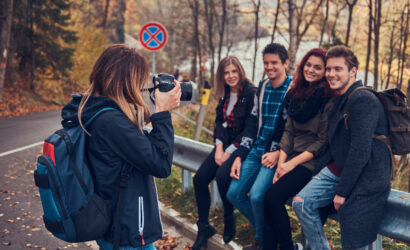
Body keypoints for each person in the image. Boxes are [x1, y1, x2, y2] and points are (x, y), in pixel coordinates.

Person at [61, 44, 181, 250]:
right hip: (125, 230)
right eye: (139, 79)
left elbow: (140, 149)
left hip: (121, 225)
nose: (142, 86)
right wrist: (162, 111)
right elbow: (161, 165)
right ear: (127, 81)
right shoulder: (111, 122)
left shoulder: (97, 111)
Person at [293, 45, 391, 250]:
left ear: (353, 71)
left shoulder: (363, 99)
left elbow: (360, 150)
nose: (330, 74)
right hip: (343, 167)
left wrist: (342, 192)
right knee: (302, 201)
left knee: (355, 241)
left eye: (338, 69)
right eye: (328, 69)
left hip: (367, 176)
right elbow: (336, 143)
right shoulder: (340, 98)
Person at [263, 48, 333, 250]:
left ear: (325, 71)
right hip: (290, 156)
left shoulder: (327, 100)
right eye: (308, 65)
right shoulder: (297, 94)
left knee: (272, 198)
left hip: (309, 161)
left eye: (317, 67)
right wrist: (282, 164)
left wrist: (290, 164)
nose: (311, 70)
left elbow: (321, 142)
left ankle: (287, 247)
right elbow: (288, 131)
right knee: (268, 200)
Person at [226, 43, 292, 250]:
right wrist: (239, 155)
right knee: (233, 194)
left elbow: (291, 129)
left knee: (256, 196)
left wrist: (278, 152)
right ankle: (269, 232)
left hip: (275, 153)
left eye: (274, 63)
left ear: (285, 63)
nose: (269, 67)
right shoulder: (262, 87)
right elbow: (253, 123)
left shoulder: (292, 90)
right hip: (256, 150)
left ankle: (262, 240)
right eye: (266, 63)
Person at [192, 56, 256, 249]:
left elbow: (249, 128)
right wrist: (219, 148)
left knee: (222, 176)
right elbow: (219, 122)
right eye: (226, 73)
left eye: (234, 71)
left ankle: (229, 215)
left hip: (241, 146)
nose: (230, 76)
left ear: (240, 71)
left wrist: (228, 151)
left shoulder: (251, 93)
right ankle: (204, 226)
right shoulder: (224, 93)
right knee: (200, 179)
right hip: (223, 145)